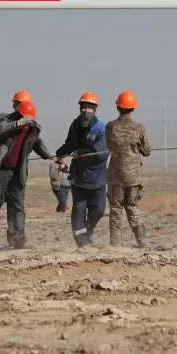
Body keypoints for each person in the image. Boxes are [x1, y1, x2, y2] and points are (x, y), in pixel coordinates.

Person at [0, 100, 53, 249]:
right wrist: (17, 124)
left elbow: (38, 144)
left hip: (18, 172)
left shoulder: (33, 129)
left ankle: (18, 237)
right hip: (1, 170)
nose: (27, 121)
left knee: (17, 206)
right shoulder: (7, 121)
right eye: (24, 117)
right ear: (18, 114)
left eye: (29, 118)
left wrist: (51, 157)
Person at [55, 92, 110, 247]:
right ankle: (82, 244)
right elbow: (70, 144)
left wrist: (81, 153)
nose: (86, 111)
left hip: (97, 178)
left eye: (89, 108)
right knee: (79, 209)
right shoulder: (75, 125)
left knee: (98, 210)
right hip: (78, 176)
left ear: (95, 110)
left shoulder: (101, 129)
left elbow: (101, 155)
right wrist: (60, 153)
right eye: (83, 107)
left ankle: (90, 228)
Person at [104, 91, 152, 247]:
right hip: (133, 178)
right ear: (133, 108)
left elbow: (109, 146)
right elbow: (147, 151)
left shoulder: (110, 127)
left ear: (118, 107)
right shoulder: (139, 128)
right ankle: (142, 241)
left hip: (116, 176)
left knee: (116, 210)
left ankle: (115, 246)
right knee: (132, 207)